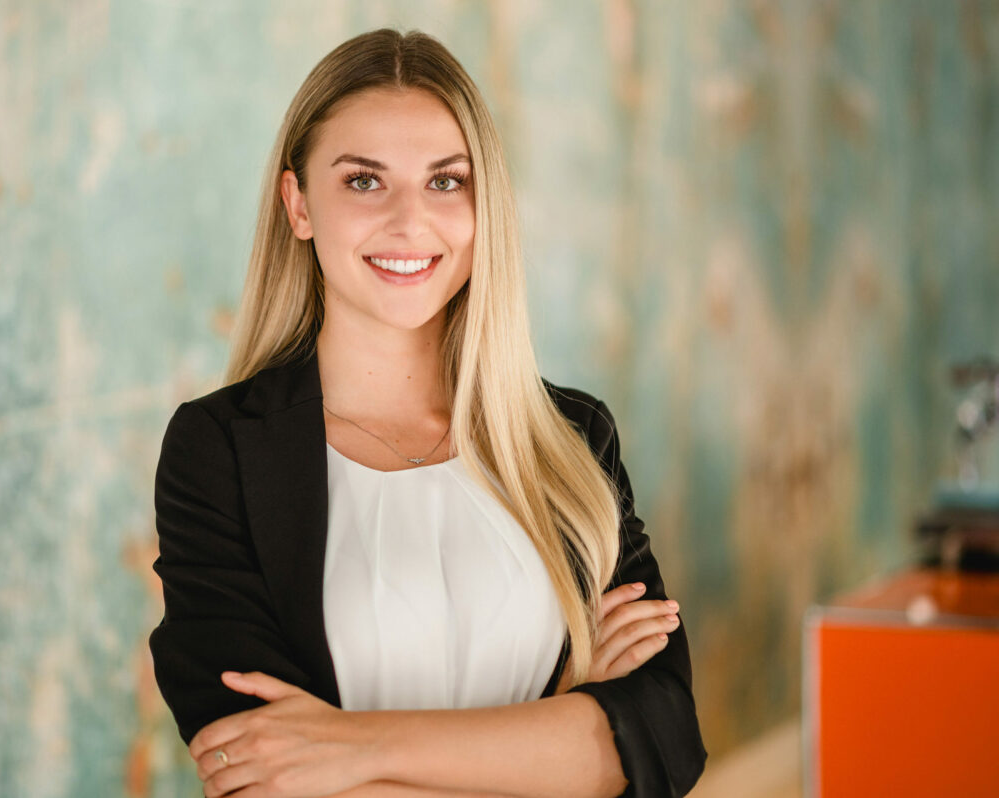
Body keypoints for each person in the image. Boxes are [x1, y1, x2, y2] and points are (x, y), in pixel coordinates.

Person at [149, 27, 706, 798]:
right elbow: (259, 772)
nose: (410, 221)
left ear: (485, 206)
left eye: (446, 181)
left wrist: (353, 747)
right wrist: (564, 725)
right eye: (364, 181)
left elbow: (663, 739)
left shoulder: (572, 438)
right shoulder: (218, 452)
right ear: (298, 204)